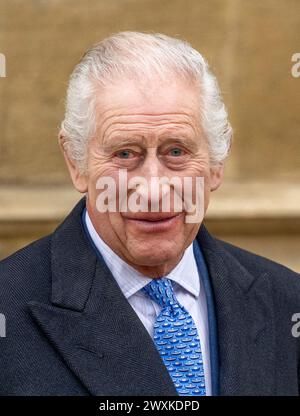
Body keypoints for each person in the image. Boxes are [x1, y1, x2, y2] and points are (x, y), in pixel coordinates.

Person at [0, 31, 299, 396]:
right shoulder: (8, 309)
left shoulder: (287, 301)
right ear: (76, 162)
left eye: (176, 151)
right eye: (125, 154)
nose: (154, 189)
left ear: (217, 162)